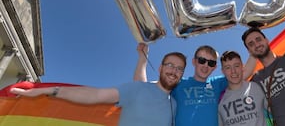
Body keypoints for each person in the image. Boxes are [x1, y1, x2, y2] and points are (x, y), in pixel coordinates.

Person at [10, 51, 187, 126]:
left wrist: (142, 59)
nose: (174, 71)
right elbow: (95, 95)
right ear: (161, 67)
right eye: (170, 65)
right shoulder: (137, 89)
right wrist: (49, 90)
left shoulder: (175, 105)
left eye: (179, 69)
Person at [135, 44, 257, 126]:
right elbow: (141, 88)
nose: (205, 66)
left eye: (211, 63)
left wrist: (253, 50)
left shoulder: (217, 83)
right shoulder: (178, 82)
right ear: (194, 62)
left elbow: (244, 73)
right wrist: (142, 58)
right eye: (202, 60)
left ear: (214, 67)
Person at [218, 50, 268, 126]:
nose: (233, 71)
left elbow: (275, 111)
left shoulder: (256, 87)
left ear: (242, 66)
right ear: (223, 71)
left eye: (236, 66)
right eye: (228, 68)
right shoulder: (220, 101)